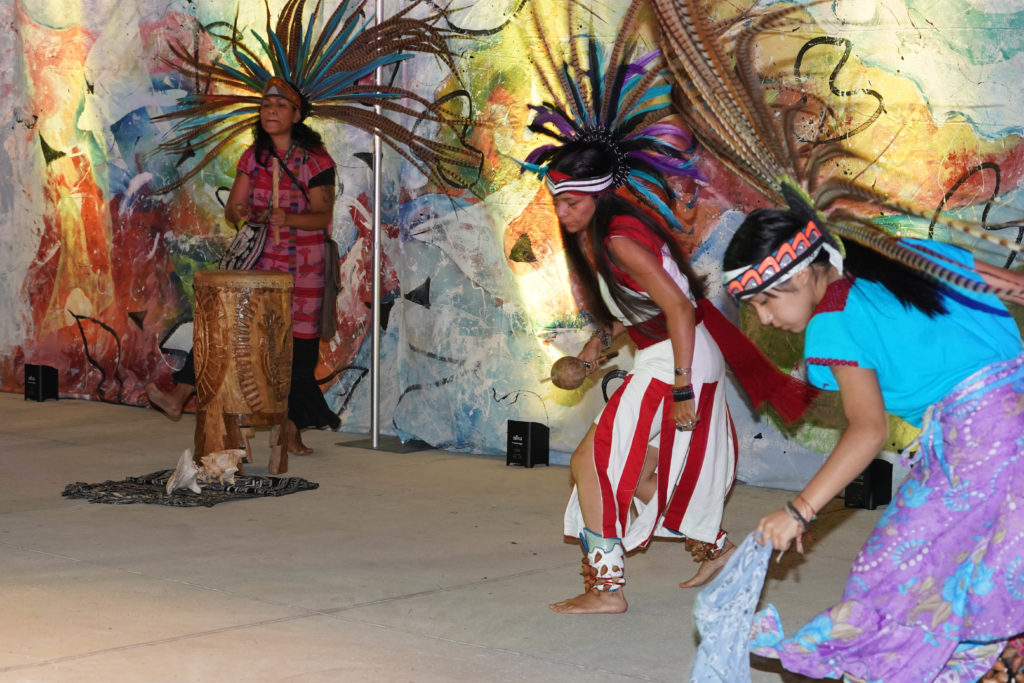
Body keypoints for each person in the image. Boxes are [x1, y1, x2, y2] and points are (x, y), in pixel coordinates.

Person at [723, 202, 1024, 681]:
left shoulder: (833, 319)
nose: (763, 318)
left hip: (979, 441)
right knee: (977, 562)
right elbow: (1017, 288)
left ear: (801, 274)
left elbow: (868, 429)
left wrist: (799, 510)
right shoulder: (904, 256)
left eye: (764, 300)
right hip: (1011, 419)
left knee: (891, 574)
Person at [545, 143, 738, 615]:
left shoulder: (618, 240)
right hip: (675, 352)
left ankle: (606, 590)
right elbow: (635, 312)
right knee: (638, 474)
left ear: (598, 195)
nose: (563, 212)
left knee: (590, 464)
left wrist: (682, 387)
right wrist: (592, 356)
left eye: (572, 202)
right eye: (558, 202)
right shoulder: (607, 234)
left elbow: (678, 308)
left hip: (676, 357)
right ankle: (719, 552)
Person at [147, 77, 340, 454]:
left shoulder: (316, 160)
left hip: (305, 270)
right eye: (267, 104)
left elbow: (321, 216)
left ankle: (291, 430)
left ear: (297, 115)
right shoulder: (254, 157)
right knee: (226, 333)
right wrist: (239, 211)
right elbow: (235, 209)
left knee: (296, 355)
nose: (271, 110)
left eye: (281, 105)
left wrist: (290, 219)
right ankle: (182, 392)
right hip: (260, 264)